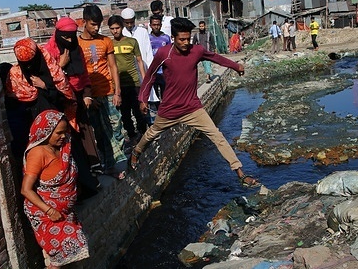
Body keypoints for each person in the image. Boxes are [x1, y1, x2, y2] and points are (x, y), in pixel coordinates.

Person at [130, 17, 260, 187]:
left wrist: (236, 66)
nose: (185, 43)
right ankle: (137, 151)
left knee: (217, 136)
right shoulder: (164, 54)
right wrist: (143, 99)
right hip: (170, 109)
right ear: (173, 38)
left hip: (192, 108)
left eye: (188, 39)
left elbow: (215, 58)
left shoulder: (196, 51)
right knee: (152, 133)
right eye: (181, 39)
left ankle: (240, 173)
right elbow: (150, 76)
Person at [21, 110, 89, 269]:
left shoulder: (64, 149)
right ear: (46, 132)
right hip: (45, 213)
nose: (63, 136)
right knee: (62, 253)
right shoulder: (38, 153)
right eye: (58, 133)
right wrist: (50, 210)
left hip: (65, 212)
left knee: (71, 253)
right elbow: (25, 189)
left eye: (65, 132)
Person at [44, 17, 101, 196]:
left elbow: (83, 74)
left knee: (84, 134)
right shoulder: (48, 52)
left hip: (78, 98)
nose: (68, 41)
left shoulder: (76, 48)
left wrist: (86, 94)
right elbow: (48, 80)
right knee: (70, 141)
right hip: (61, 100)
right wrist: (60, 65)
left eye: (71, 37)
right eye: (65, 38)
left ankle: (91, 172)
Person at [78, 5, 126, 179]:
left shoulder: (106, 41)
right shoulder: (77, 44)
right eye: (92, 24)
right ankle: (109, 165)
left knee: (116, 127)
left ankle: (114, 160)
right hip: (90, 96)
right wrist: (87, 95)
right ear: (84, 22)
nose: (96, 28)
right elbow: (78, 72)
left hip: (108, 92)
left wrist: (117, 92)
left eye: (98, 24)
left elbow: (113, 66)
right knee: (99, 133)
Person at [6, 38, 77, 130]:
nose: (28, 67)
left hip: (54, 123)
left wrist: (45, 86)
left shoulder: (52, 71)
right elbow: (13, 105)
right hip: (29, 126)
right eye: (25, 64)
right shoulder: (16, 76)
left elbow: (64, 98)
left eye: (31, 62)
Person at [108, 15, 147, 144]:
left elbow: (140, 61)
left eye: (117, 28)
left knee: (138, 111)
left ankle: (143, 133)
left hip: (134, 82)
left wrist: (144, 80)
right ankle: (132, 135)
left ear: (122, 27)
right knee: (125, 114)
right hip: (119, 85)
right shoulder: (109, 44)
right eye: (112, 28)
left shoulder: (132, 42)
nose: (115, 31)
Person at [148, 14, 172, 124]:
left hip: (164, 72)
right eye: (154, 25)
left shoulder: (166, 38)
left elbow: (170, 54)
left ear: (161, 25)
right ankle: (156, 118)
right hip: (153, 72)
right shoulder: (148, 38)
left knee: (165, 95)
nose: (156, 27)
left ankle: (166, 115)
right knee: (154, 96)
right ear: (150, 25)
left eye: (158, 25)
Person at [121, 8, 154, 72]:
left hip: (144, 69)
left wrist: (150, 69)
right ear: (123, 21)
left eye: (131, 22)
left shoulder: (142, 31)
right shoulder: (121, 33)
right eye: (127, 23)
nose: (129, 25)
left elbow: (149, 51)